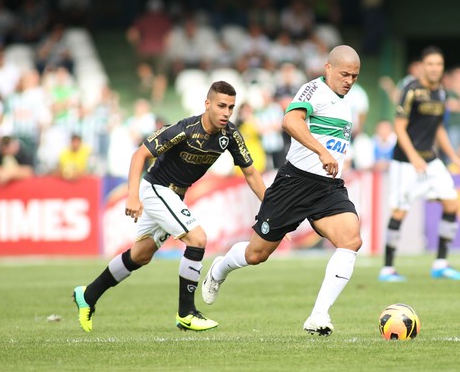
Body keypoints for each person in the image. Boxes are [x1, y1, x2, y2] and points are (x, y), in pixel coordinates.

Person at [72, 81, 266, 332]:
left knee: (140, 255)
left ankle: (87, 295)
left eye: (230, 107)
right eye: (221, 106)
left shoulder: (230, 135)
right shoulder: (184, 129)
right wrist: (133, 196)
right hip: (156, 190)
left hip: (174, 196)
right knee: (198, 239)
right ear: (207, 104)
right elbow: (139, 155)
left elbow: (250, 173)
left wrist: (271, 205)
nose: (226, 113)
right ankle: (186, 313)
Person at [200, 45, 363, 337]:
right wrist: (321, 151)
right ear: (328, 69)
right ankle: (219, 269)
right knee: (256, 254)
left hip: (328, 188)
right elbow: (290, 121)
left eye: (354, 76)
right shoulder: (314, 90)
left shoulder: (344, 102)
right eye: (344, 74)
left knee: (351, 240)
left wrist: (333, 157)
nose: (349, 80)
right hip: (294, 184)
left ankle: (318, 315)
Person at [378, 46, 460, 283]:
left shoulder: (441, 93)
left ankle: (441, 263)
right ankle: (387, 268)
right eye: (430, 64)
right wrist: (414, 157)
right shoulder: (411, 90)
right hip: (405, 162)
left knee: (452, 202)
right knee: (399, 211)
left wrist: (454, 156)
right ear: (422, 66)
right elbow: (399, 126)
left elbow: (438, 128)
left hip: (430, 160)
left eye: (438, 64)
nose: (435, 68)